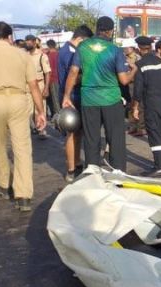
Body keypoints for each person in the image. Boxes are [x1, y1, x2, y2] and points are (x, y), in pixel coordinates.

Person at [0, 22, 47, 212]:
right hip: (19, 100)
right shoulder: (23, 55)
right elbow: (33, 86)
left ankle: (4, 186)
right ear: (10, 36)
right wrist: (40, 112)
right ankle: (23, 196)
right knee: (22, 148)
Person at [62, 16, 133, 172]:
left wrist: (66, 96)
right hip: (111, 100)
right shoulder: (115, 50)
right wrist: (134, 70)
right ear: (110, 31)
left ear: (97, 29)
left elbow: (73, 72)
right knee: (115, 140)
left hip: (89, 100)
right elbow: (124, 80)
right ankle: (118, 175)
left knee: (91, 139)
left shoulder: (83, 47)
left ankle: (92, 174)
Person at [133, 37, 161, 176]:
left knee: (154, 132)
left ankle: (159, 166)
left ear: (139, 49)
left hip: (152, 103)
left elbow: (138, 89)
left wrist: (135, 107)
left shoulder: (140, 64)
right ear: (151, 48)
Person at [58, 25, 93, 183]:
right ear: (80, 39)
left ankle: (77, 163)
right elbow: (72, 76)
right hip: (73, 97)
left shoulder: (67, 50)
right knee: (72, 134)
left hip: (75, 96)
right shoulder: (70, 52)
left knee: (77, 134)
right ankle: (72, 169)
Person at [25, 35, 51, 139]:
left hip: (39, 85)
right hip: (27, 86)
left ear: (34, 43)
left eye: (29, 42)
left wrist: (46, 88)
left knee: (40, 108)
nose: (27, 44)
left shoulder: (42, 56)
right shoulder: (25, 56)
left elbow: (47, 73)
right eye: (26, 42)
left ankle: (41, 129)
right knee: (28, 110)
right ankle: (33, 127)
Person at [121, 38, 142, 136]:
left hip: (135, 84)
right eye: (124, 48)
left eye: (126, 48)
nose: (124, 49)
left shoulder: (138, 58)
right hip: (126, 84)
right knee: (129, 106)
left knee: (137, 105)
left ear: (132, 48)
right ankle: (132, 126)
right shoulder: (122, 57)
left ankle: (140, 127)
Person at [45, 39, 60, 121]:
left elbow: (49, 70)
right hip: (60, 79)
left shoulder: (48, 56)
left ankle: (58, 116)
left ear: (48, 46)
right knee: (59, 97)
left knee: (55, 100)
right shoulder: (59, 54)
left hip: (53, 80)